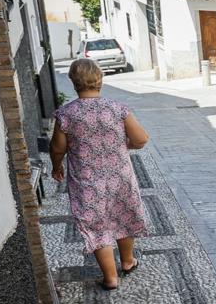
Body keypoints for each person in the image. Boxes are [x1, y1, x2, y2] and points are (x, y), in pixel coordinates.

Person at [50, 58, 151, 291]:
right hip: (120, 177)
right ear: (100, 80)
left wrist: (57, 167)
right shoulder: (117, 109)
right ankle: (127, 261)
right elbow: (141, 139)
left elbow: (58, 148)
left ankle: (110, 278)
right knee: (122, 215)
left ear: (74, 82)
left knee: (96, 226)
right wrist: (124, 146)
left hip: (87, 182)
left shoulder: (66, 114)